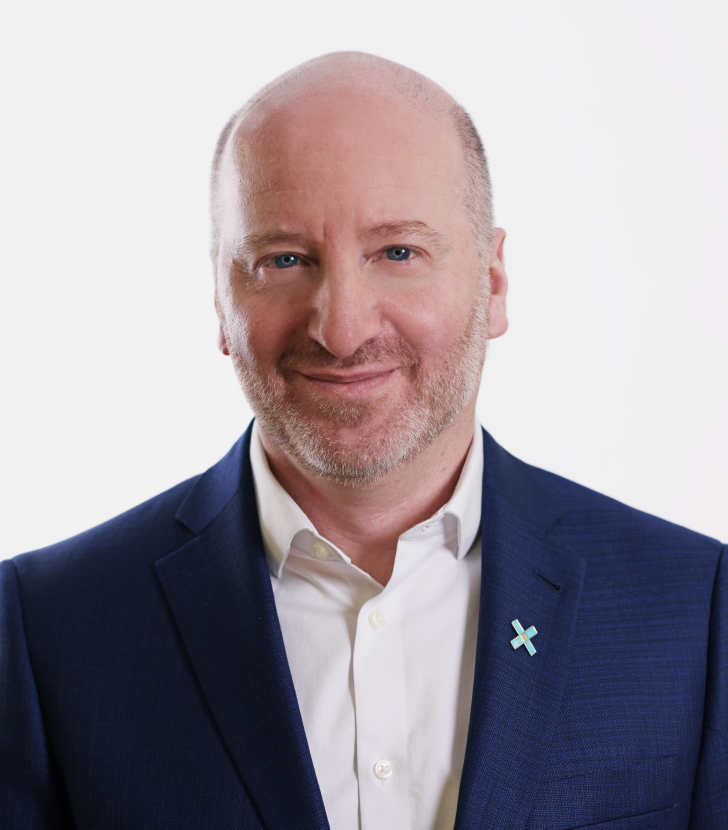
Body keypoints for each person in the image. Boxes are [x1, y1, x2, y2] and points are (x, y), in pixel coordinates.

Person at [1, 50, 725, 830]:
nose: (342, 330)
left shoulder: (695, 611)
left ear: (492, 281)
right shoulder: (43, 630)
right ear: (219, 298)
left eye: (398, 253)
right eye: (284, 260)